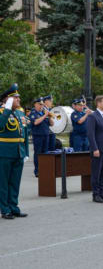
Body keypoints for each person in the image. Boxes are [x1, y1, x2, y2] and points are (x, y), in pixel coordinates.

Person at [0, 84, 29, 219]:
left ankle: (13, 207)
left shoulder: (18, 113)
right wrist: (6, 109)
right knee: (3, 182)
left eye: (18, 98)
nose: (19, 100)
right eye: (16, 98)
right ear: (8, 99)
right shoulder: (2, 112)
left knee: (15, 182)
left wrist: (26, 152)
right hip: (4, 153)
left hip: (18, 152)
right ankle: (5, 209)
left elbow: (23, 133)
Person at [30, 97, 54, 177]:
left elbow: (52, 124)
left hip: (46, 135)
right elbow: (36, 122)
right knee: (38, 153)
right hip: (38, 136)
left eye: (42, 104)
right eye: (39, 104)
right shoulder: (33, 113)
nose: (41, 106)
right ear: (35, 104)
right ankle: (37, 171)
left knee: (45, 153)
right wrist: (45, 115)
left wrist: (49, 116)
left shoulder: (44, 112)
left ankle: (44, 169)